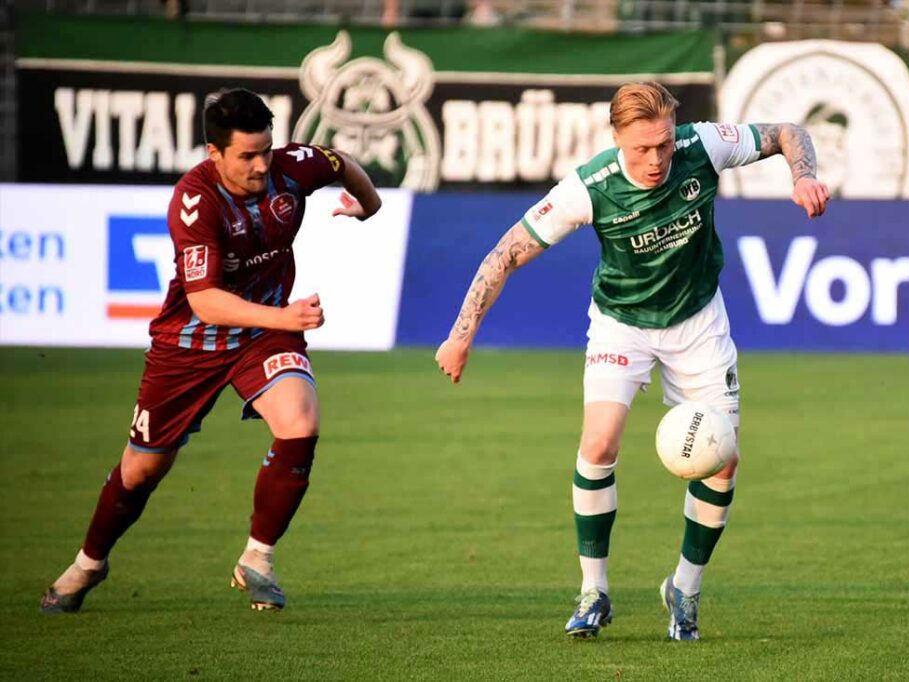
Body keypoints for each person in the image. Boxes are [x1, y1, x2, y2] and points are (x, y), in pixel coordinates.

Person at [435, 82, 829, 640]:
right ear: (617, 137)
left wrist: (803, 175)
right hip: (622, 322)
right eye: (642, 148)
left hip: (698, 322)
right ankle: (593, 591)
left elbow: (790, 132)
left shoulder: (703, 146)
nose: (656, 160)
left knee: (723, 462)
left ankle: (685, 590)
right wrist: (460, 335)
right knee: (598, 444)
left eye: (664, 146)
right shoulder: (588, 187)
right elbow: (504, 255)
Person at [40, 88, 382, 613]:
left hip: (262, 333)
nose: (261, 164)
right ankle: (89, 563)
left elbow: (340, 162)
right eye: (247, 155)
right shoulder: (194, 201)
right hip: (190, 342)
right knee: (142, 470)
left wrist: (368, 206)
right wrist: (285, 316)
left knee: (300, 422)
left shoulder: (291, 168)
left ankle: (258, 559)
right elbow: (205, 301)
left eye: (266, 149)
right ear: (214, 154)